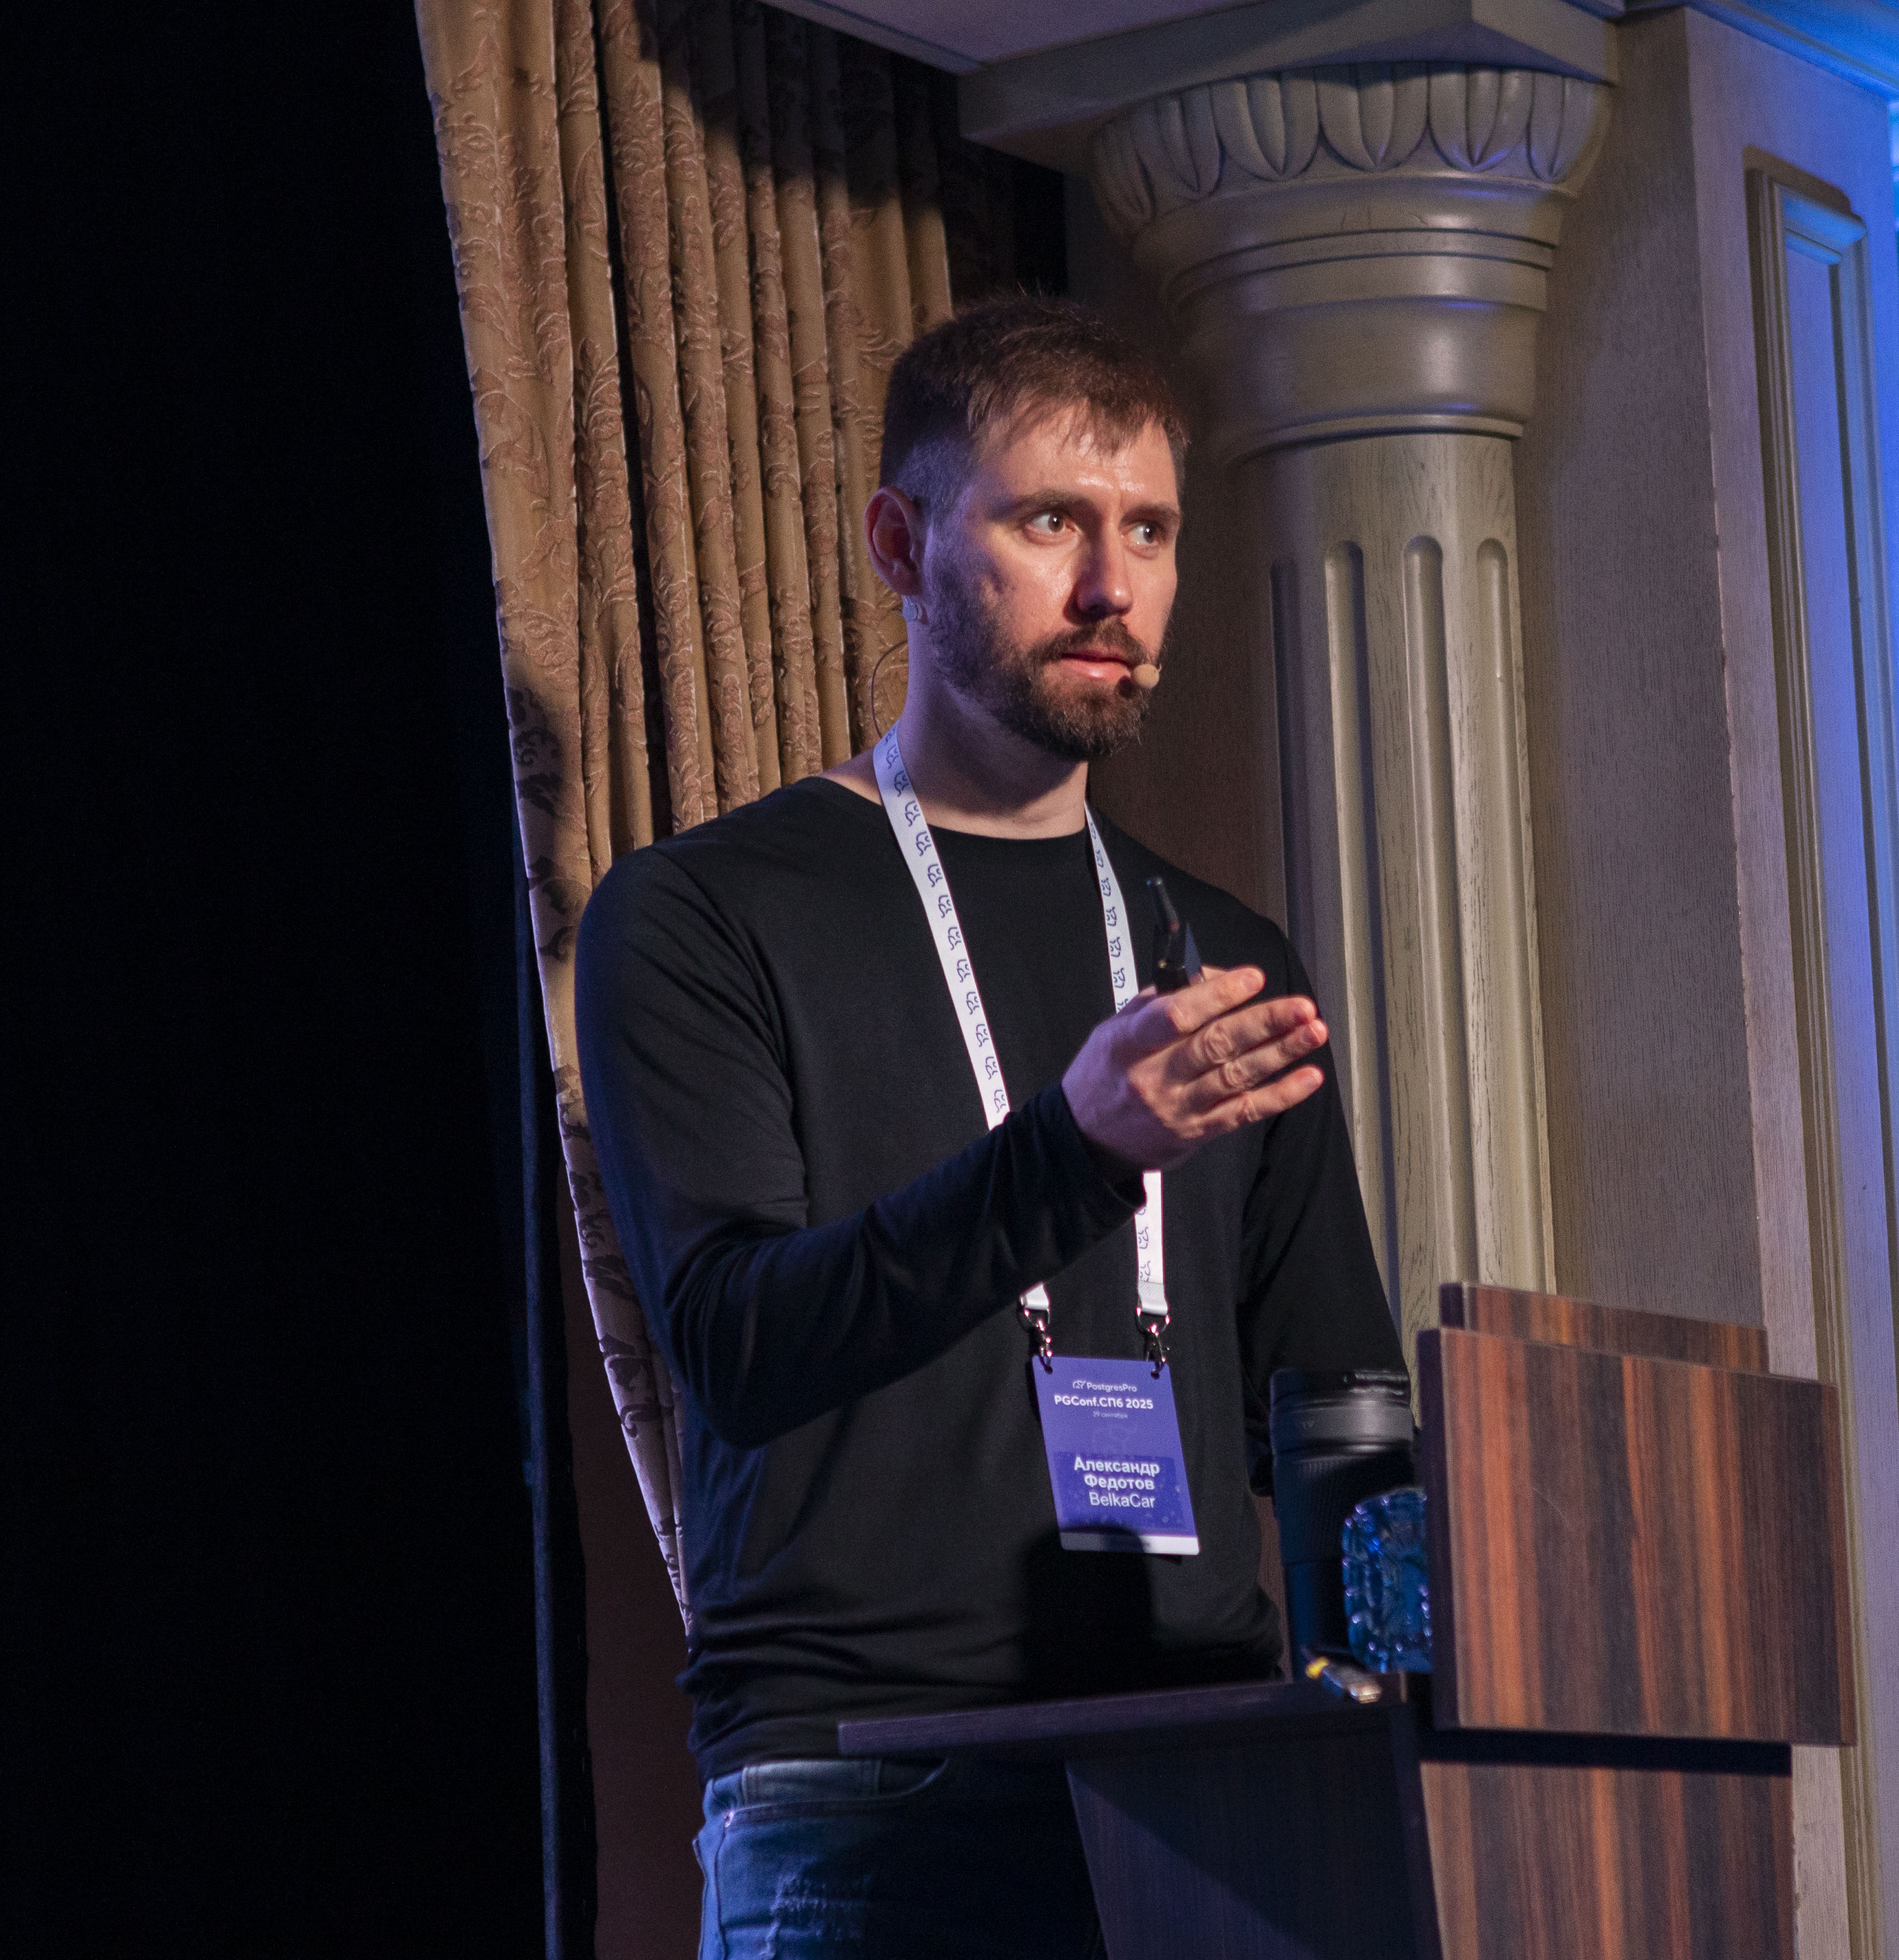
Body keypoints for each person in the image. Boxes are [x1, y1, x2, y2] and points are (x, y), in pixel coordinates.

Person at [574, 295, 1403, 1958]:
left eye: (1148, 530)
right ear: (902, 543)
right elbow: (739, 1343)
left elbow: (1331, 1401)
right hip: (870, 1790)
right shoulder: (702, 913)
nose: (1113, 588)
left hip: (1208, 1776)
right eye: (1051, 523)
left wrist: (1428, 1677)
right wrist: (1075, 1151)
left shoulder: (1220, 954)